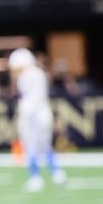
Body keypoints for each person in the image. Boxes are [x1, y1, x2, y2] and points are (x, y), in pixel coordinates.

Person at [9, 48, 66, 192]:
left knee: (32, 146)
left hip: (33, 113)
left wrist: (24, 112)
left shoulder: (28, 75)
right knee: (44, 145)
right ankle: (56, 172)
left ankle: (36, 177)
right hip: (42, 111)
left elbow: (32, 99)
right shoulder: (38, 73)